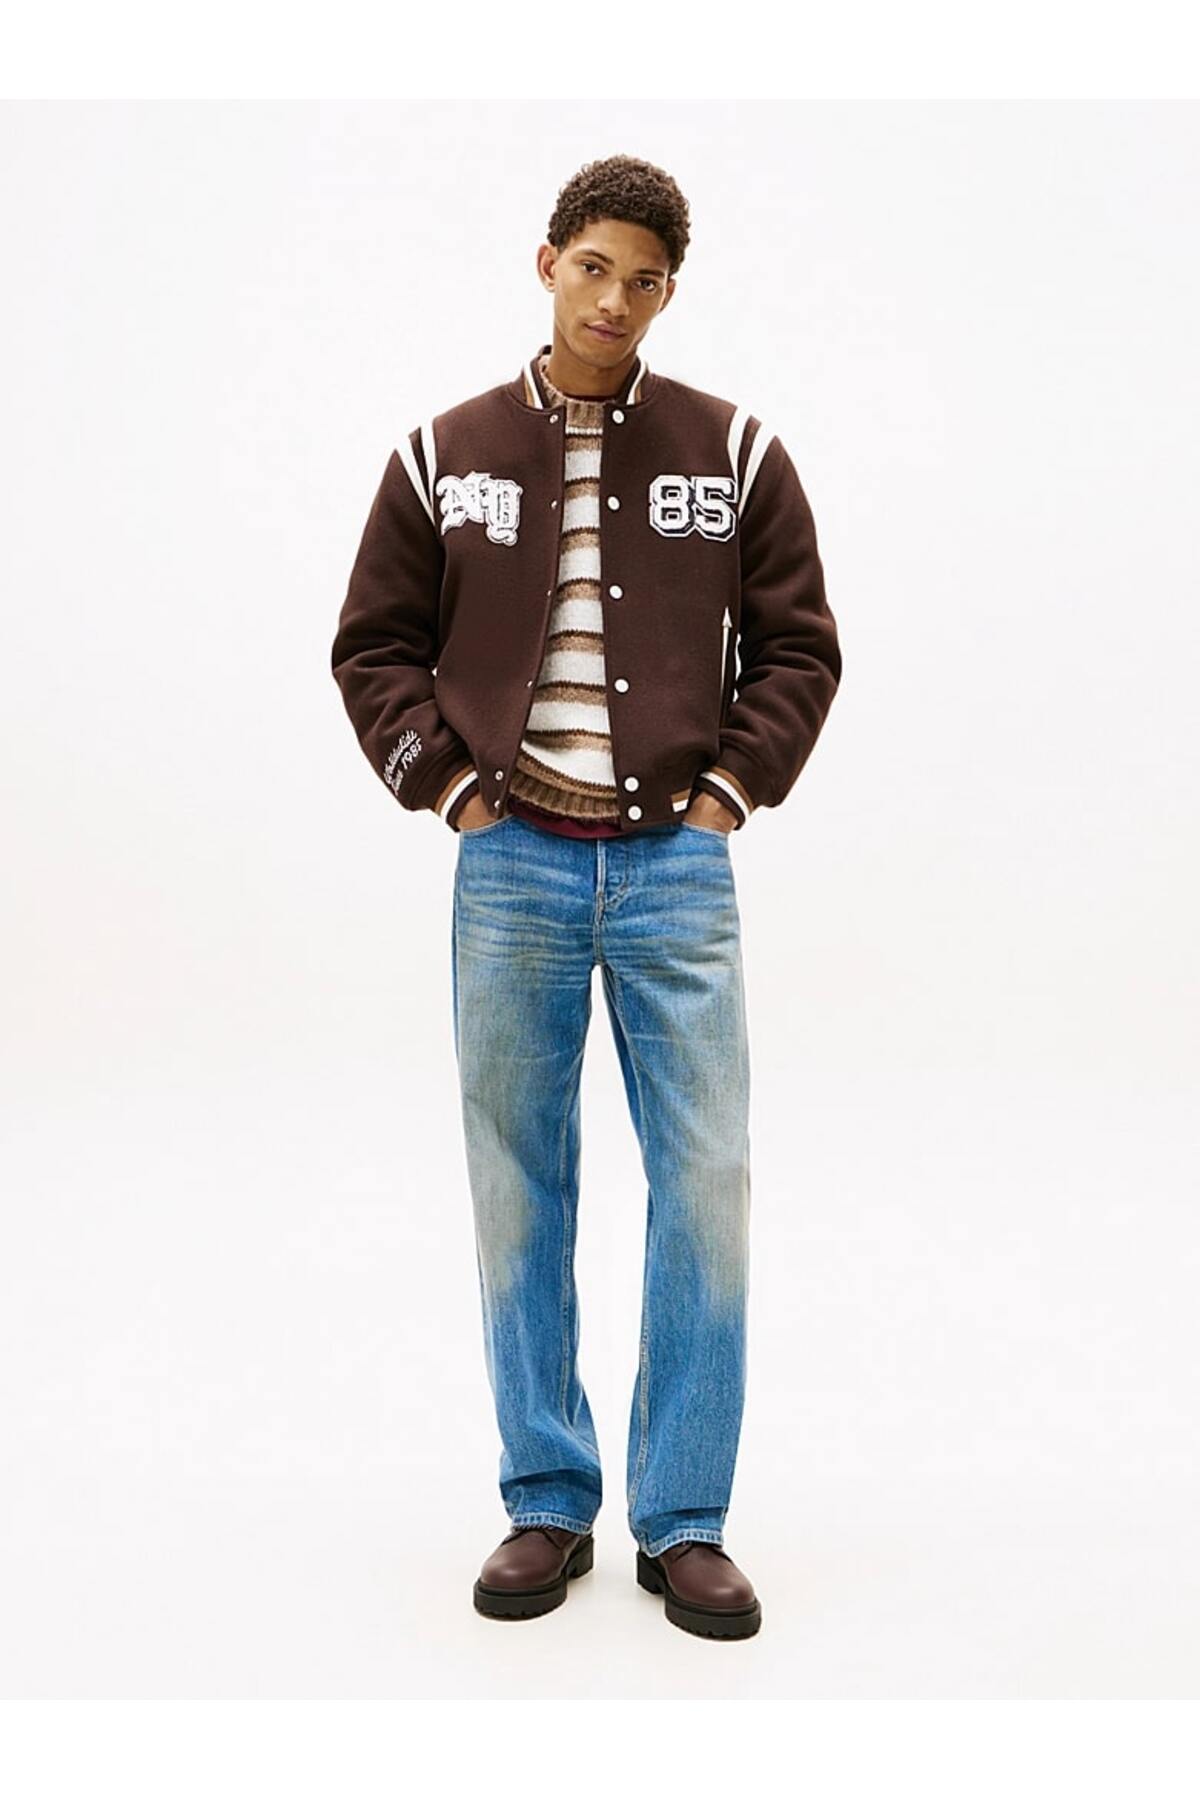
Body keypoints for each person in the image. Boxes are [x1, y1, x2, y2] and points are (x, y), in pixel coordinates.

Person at [331, 153, 842, 1640]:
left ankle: (685, 1520)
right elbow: (373, 646)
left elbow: (800, 647)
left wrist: (728, 788)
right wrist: (453, 789)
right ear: (547, 260)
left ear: (670, 294)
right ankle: (546, 1499)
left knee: (705, 1184)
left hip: (678, 865)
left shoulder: (733, 451)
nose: (614, 299)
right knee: (518, 1184)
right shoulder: (444, 454)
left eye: (645, 280)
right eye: (594, 266)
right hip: (512, 867)